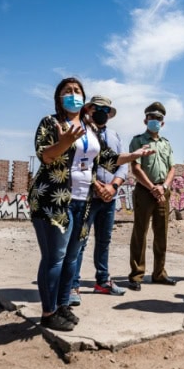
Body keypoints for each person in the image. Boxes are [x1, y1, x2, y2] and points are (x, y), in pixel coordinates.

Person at [29, 79, 153, 331]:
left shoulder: (90, 128)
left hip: (83, 201)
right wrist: (64, 142)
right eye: (68, 91)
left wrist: (134, 155)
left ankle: (63, 305)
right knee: (55, 257)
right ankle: (48, 312)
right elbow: (45, 155)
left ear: (83, 100)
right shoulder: (51, 123)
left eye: (77, 91)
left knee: (71, 257)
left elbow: (108, 159)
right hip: (54, 200)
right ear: (58, 97)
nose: (73, 94)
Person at [70, 95, 129, 298]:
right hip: (87, 197)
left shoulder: (114, 136)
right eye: (97, 109)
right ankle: (73, 285)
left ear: (109, 115)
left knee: (104, 241)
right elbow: (78, 163)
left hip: (109, 199)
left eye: (106, 110)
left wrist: (113, 187)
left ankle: (103, 281)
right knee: (80, 241)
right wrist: (95, 184)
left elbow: (122, 164)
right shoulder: (81, 133)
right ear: (89, 110)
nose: (102, 113)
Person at [127, 102, 177, 290]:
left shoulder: (166, 144)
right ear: (145, 120)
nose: (155, 120)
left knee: (161, 234)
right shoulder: (138, 141)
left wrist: (163, 187)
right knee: (140, 233)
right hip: (144, 191)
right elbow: (136, 168)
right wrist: (152, 188)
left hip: (163, 191)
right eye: (151, 117)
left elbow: (172, 168)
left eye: (158, 118)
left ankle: (159, 273)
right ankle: (136, 275)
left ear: (162, 123)